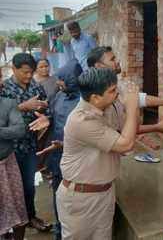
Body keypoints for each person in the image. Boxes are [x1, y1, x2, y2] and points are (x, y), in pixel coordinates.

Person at [57, 68, 139, 239]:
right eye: (112, 91)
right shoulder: (81, 120)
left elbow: (136, 103)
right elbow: (126, 144)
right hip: (81, 199)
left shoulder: (105, 105)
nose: (117, 93)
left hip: (104, 192)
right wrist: (133, 108)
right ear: (95, 97)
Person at [0, 53, 52, 232]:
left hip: (29, 146)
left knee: (29, 187)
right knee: (9, 191)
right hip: (8, 151)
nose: (28, 76)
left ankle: (29, 217)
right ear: (13, 69)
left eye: (31, 72)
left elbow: (48, 109)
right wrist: (23, 106)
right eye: (24, 72)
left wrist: (45, 116)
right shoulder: (4, 88)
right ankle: (12, 224)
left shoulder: (37, 87)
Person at [87, 46, 163, 134]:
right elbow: (124, 140)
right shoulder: (99, 98)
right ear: (99, 66)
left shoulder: (113, 87)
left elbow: (141, 99)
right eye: (112, 59)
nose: (117, 61)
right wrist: (133, 107)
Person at [36, 59, 82, 240]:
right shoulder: (59, 96)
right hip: (57, 156)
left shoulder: (84, 100)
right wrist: (48, 119)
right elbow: (53, 114)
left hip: (77, 158)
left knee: (75, 198)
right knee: (58, 194)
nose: (58, 82)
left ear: (72, 79)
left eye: (62, 79)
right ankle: (59, 229)